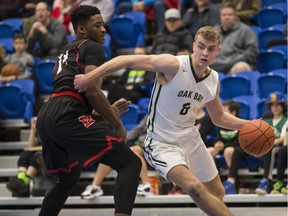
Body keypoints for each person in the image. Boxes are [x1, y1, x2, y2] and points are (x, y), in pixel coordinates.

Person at [74, 26, 255, 216]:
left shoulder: (213, 80)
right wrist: (89, 77)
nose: (205, 53)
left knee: (217, 193)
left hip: (191, 139)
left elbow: (219, 117)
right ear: (193, 46)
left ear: (218, 51)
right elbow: (125, 60)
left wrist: (249, 124)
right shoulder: (173, 65)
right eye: (201, 46)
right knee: (193, 187)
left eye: (211, 49)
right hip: (161, 142)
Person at [36, 5, 142, 216]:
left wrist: (103, 112)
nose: (103, 29)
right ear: (82, 29)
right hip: (65, 113)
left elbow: (72, 94)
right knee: (130, 163)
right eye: (97, 25)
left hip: (48, 114)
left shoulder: (66, 50)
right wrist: (116, 123)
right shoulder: (92, 47)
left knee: (68, 177)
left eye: (103, 24)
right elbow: (92, 90)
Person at [81, 115, 153, 199]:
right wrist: (119, 140)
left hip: (155, 148)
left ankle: (146, 186)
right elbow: (137, 130)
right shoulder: (149, 115)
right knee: (111, 151)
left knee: (134, 150)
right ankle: (95, 187)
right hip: (141, 146)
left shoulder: (167, 118)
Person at [210, 2, 258, 74]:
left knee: (240, 67)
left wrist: (233, 60)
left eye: (230, 15)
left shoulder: (246, 31)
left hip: (234, 65)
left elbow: (252, 52)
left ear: (235, 16)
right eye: (224, 15)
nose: (227, 17)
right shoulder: (213, 32)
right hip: (215, 65)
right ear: (220, 17)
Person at [255, 92, 287, 195]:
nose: (275, 107)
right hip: (267, 146)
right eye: (272, 105)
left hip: (280, 147)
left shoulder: (286, 120)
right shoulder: (266, 120)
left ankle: (266, 180)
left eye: (278, 104)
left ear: (283, 106)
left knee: (271, 150)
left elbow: (283, 138)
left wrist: (270, 143)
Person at [6, 117, 44, 197]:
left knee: (37, 156)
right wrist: (33, 129)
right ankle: (22, 181)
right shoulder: (41, 128)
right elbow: (31, 146)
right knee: (25, 154)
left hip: (48, 154)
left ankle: (21, 182)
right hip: (39, 152)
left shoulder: (54, 127)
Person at [208, 99, 240, 164]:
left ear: (233, 112)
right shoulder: (222, 123)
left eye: (224, 111)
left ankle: (232, 173)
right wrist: (217, 143)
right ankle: (214, 173)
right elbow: (218, 137)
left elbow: (239, 143)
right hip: (223, 147)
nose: (222, 113)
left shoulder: (239, 124)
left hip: (234, 149)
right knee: (209, 151)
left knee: (228, 151)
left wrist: (224, 145)